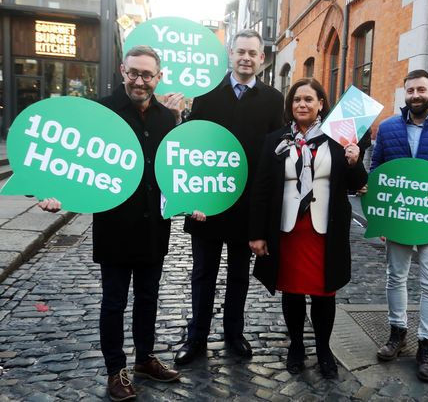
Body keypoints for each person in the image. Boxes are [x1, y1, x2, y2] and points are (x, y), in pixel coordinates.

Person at [39, 45, 205, 401]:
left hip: (153, 228)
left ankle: (144, 358)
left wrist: (191, 200)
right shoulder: (101, 111)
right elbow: (68, 156)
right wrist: (50, 193)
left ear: (159, 77)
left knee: (148, 298)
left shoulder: (167, 117)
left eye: (147, 75)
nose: (140, 81)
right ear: (122, 71)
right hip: (114, 226)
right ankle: (116, 370)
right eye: (134, 73)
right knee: (114, 302)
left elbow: (174, 169)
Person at [174, 29, 284, 365]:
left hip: (247, 204)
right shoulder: (205, 94)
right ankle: (196, 339)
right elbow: (189, 146)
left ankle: (234, 334)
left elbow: (273, 154)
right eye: (241, 52)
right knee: (203, 273)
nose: (246, 58)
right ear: (230, 54)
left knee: (239, 275)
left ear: (261, 59)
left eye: (253, 53)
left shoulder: (273, 99)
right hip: (206, 202)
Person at [248, 78, 368, 378]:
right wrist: (257, 233)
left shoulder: (338, 139)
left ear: (320, 104)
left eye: (308, 99)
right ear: (291, 105)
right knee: (292, 292)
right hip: (288, 231)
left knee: (324, 294)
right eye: (297, 99)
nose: (302, 104)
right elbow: (261, 189)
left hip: (325, 232)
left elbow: (357, 185)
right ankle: (297, 346)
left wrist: (355, 161)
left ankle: (324, 349)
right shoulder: (275, 139)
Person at [369, 69, 428, 383]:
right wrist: (379, 214)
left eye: (421, 90)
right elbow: (377, 167)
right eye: (410, 91)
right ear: (404, 94)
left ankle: (427, 346)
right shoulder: (389, 128)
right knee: (395, 277)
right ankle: (397, 334)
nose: (415, 95)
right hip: (397, 217)